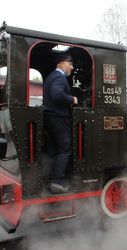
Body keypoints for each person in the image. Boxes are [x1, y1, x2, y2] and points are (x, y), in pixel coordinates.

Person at [43, 54, 78, 194]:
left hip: (51, 117)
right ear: (61, 64)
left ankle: (49, 177)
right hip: (57, 117)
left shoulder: (51, 76)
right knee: (66, 148)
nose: (72, 67)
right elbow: (57, 95)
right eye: (70, 64)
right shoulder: (59, 77)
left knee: (54, 149)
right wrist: (72, 99)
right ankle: (57, 182)